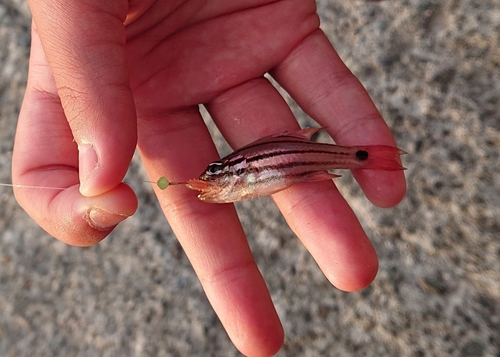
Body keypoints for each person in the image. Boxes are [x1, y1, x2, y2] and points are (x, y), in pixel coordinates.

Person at [14, 1, 405, 356]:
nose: (208, 182)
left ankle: (366, 159)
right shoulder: (238, 178)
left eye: (215, 173)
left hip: (295, 159)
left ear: (237, 172)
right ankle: (367, 158)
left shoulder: (247, 174)